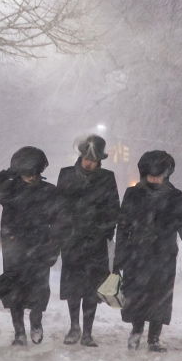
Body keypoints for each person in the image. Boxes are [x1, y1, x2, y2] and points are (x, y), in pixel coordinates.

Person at [0, 146, 66, 346]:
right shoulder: (11, 189)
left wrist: (54, 249)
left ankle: (36, 323)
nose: (28, 178)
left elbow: (60, 223)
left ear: (39, 173)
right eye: (25, 174)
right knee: (15, 292)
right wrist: (9, 173)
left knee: (39, 291)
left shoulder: (49, 192)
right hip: (14, 249)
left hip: (40, 249)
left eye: (32, 174)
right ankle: (19, 332)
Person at [114, 150, 182, 352]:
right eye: (151, 176)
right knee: (137, 294)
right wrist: (119, 259)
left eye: (159, 176)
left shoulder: (175, 196)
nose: (155, 180)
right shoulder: (133, 194)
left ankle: (154, 338)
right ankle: (136, 331)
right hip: (137, 254)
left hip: (163, 255)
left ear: (167, 174)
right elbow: (123, 227)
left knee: (160, 296)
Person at [56, 134, 120, 347]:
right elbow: (59, 206)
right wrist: (67, 231)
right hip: (72, 242)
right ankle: (74, 327)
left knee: (92, 289)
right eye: (87, 159)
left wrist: (102, 231)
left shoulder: (107, 178)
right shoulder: (66, 175)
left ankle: (88, 332)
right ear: (81, 157)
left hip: (96, 242)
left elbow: (113, 209)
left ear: (100, 161)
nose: (89, 163)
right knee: (74, 288)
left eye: (94, 161)